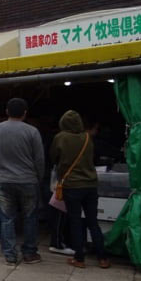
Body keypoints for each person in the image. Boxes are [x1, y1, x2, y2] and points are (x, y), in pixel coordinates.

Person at [0, 98, 45, 265]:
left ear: (6, 111)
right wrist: (38, 177)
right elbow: (39, 158)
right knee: (30, 217)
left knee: (7, 218)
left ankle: (10, 254)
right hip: (28, 180)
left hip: (4, 180)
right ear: (25, 113)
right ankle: (29, 253)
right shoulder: (32, 131)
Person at [50, 110, 110, 269]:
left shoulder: (60, 138)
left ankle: (79, 259)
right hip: (90, 184)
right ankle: (102, 258)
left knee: (75, 222)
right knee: (93, 222)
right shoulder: (87, 138)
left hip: (72, 186)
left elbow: (54, 158)